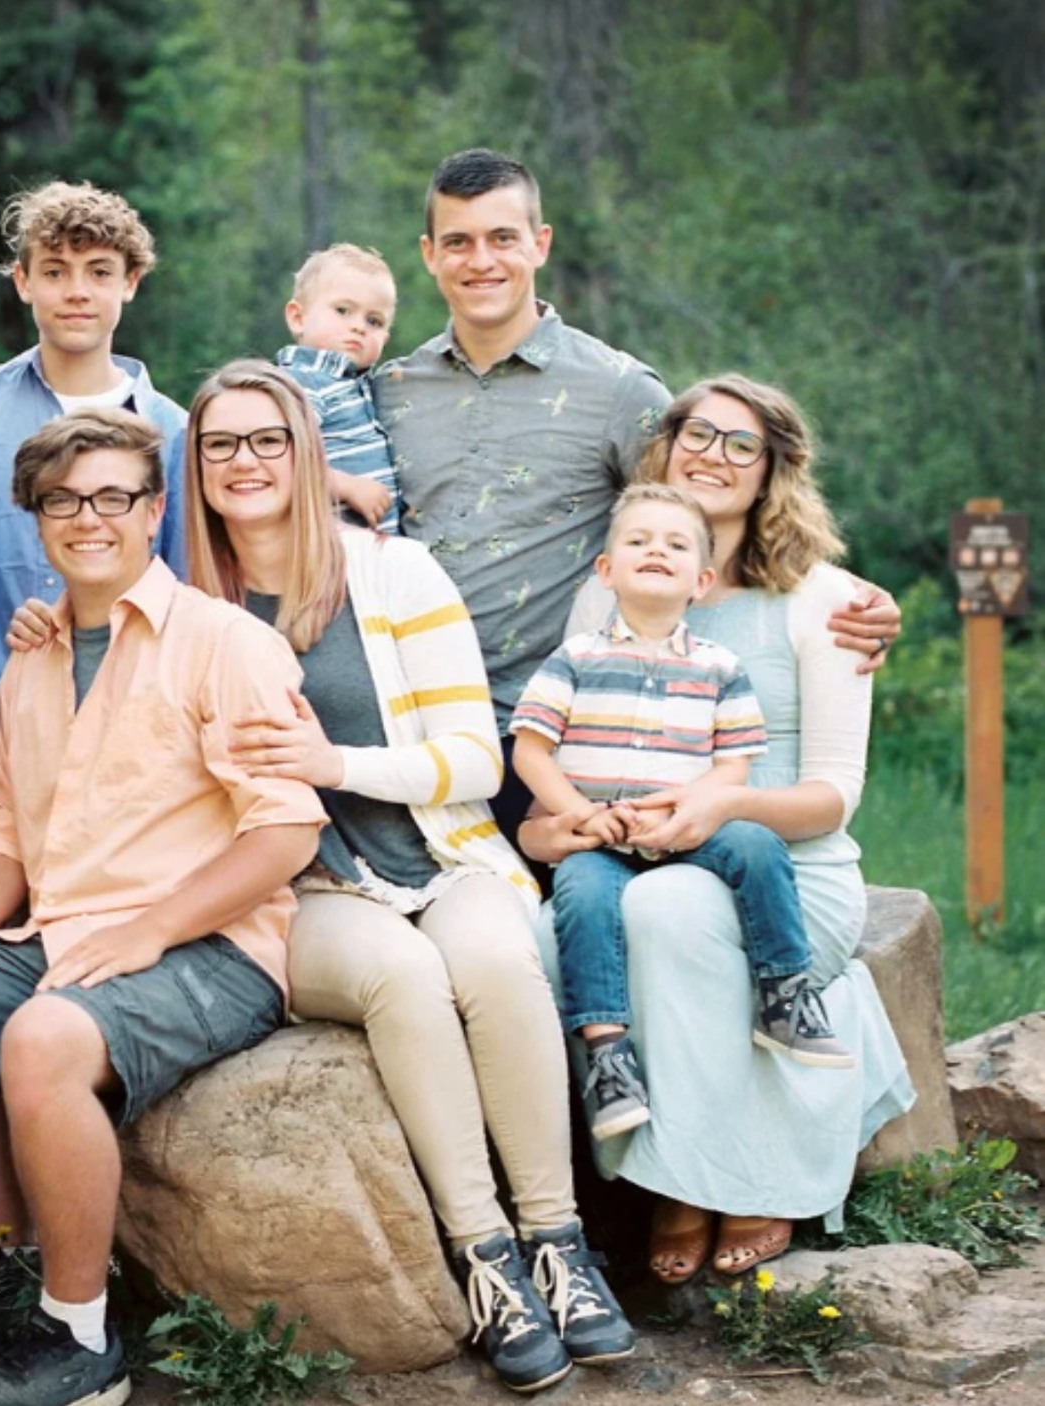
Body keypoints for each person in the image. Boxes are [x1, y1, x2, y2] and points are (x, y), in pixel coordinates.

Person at [12, 367, 639, 1393]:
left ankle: (557, 1242)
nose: (244, 461)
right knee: (402, 975)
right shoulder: (185, 603)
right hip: (297, 892)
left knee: (491, 957)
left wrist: (334, 763)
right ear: (194, 468)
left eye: (267, 439)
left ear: (306, 453)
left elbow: (476, 760)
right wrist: (47, 624)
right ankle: (483, 1256)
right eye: (219, 445)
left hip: (439, 854)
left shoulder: (393, 573)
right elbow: (92, 646)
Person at [0, 407, 320, 1406]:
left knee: (42, 1036)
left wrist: (152, 927)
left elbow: (283, 832)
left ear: (155, 507)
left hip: (207, 945)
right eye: (62, 500)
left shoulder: (225, 644)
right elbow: (6, 829)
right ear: (37, 517)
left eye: (113, 496)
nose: (87, 518)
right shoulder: (34, 658)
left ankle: (77, 1336)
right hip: (59, 937)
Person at [375, 148, 898, 838]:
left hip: (559, 736)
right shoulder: (390, 393)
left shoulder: (622, 391)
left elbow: (707, 509)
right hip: (414, 723)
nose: (482, 261)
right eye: (458, 242)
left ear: (540, 243)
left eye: (503, 238)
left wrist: (844, 593)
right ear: (427, 254)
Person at [519, 376, 914, 1285]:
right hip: (633, 851)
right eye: (699, 434)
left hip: (783, 865)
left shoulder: (827, 602)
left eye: (743, 445)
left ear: (775, 469)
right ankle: (660, 1168)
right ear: (667, 444)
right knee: (552, 930)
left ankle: (717, 1183)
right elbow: (561, 751)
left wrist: (724, 804)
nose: (714, 456)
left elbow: (834, 795)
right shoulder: (612, 589)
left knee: (668, 914)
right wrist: (565, 827)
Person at [512, 485, 850, 1144]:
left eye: (674, 544)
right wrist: (581, 815)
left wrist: (698, 807)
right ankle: (608, 1053)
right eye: (638, 541)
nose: (655, 551)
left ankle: (783, 992)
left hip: (685, 825)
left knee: (755, 843)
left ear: (700, 581)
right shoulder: (576, 660)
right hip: (603, 833)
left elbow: (733, 763)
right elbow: (531, 751)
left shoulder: (721, 667)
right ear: (606, 572)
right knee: (582, 897)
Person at [0, 180, 190, 687]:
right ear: (23, 281)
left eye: (100, 272)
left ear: (131, 282)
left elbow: (185, 582)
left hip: (130, 702)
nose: (77, 291)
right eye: (55, 271)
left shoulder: (172, 431)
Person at [274, 243, 403, 530]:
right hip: (331, 547)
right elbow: (278, 461)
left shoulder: (360, 384)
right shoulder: (300, 381)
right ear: (298, 318)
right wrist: (346, 487)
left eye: (374, 321)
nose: (359, 326)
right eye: (343, 310)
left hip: (378, 554)